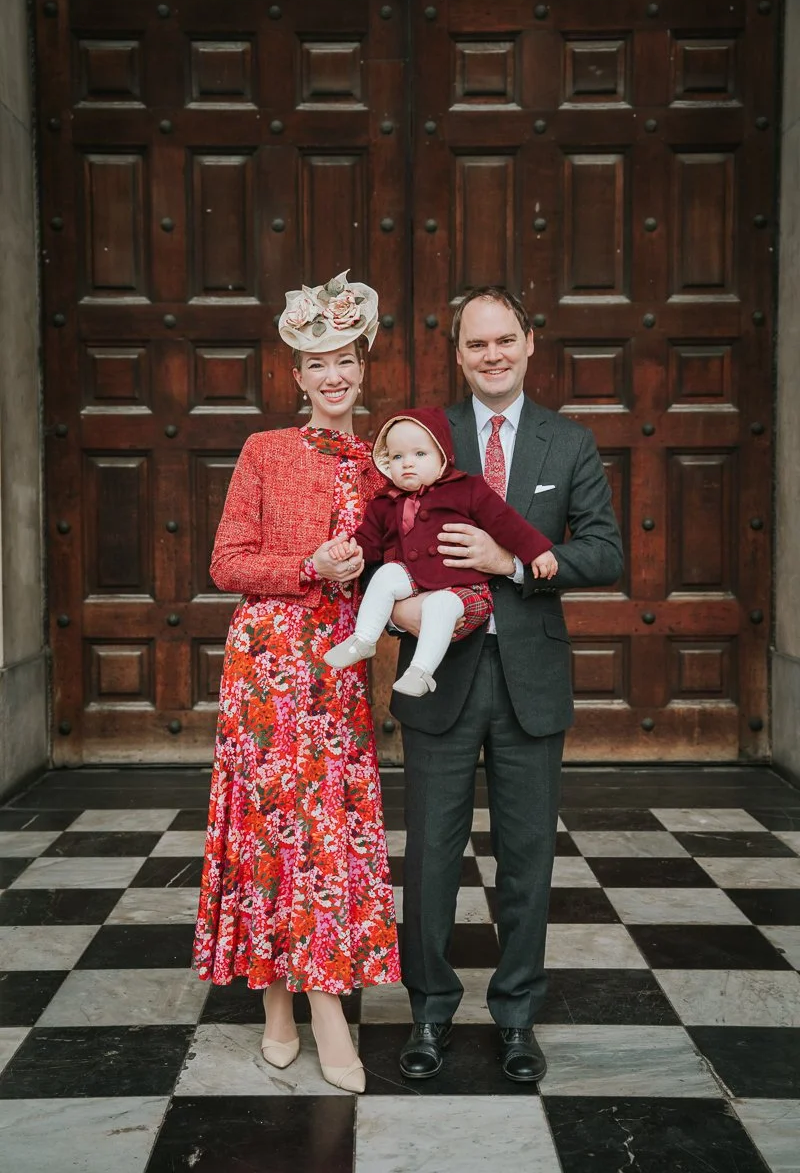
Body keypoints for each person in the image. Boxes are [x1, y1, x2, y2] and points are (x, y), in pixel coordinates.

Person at [392, 286, 624, 1083]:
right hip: (441, 677)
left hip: (531, 680)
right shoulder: (424, 436)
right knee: (429, 859)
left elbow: (605, 551)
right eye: (474, 344)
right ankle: (428, 1014)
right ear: (456, 353)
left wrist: (515, 562)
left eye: (504, 340)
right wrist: (397, 608)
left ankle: (517, 1017)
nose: (490, 355)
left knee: (526, 860)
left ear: (530, 343)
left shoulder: (571, 444)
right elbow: (382, 532)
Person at [192, 270, 401, 1095]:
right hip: (268, 665)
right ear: (297, 375)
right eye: (317, 362)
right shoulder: (265, 452)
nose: (333, 374)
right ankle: (309, 1011)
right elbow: (224, 563)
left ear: (363, 364)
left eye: (345, 357)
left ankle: (291, 1001)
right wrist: (307, 565)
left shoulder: (384, 460)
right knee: (275, 831)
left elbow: (404, 560)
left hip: (340, 668)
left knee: (321, 836)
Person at [323, 407, 557, 696]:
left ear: (442, 456)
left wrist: (537, 551)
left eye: (420, 454)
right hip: (415, 581)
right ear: (386, 462)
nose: (408, 464)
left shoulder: (466, 489)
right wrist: (350, 551)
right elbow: (368, 541)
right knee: (387, 573)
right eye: (398, 457)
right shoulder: (386, 502)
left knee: (440, 606)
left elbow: (506, 523)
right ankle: (364, 638)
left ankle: (420, 671)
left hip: (465, 588)